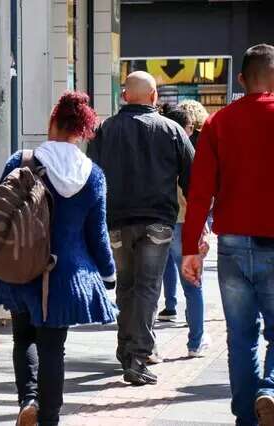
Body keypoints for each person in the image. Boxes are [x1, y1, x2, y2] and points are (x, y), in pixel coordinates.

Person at [0, 92, 117, 426]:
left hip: (21, 269)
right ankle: (49, 418)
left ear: (52, 122)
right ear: (79, 132)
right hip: (65, 274)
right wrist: (108, 274)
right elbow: (98, 233)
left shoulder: (22, 161)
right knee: (54, 348)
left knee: (23, 339)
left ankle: (28, 400)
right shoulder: (93, 175)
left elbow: (0, 213)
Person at [182, 43, 274, 426]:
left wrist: (191, 249)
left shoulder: (219, 123)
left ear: (241, 79)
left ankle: (246, 417)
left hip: (233, 244)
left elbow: (200, 190)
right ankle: (269, 390)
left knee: (240, 338)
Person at [87, 72, 195, 385]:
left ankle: (126, 350)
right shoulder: (172, 129)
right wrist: (199, 223)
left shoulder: (105, 131)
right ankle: (138, 354)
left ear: (125, 96)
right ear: (152, 97)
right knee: (148, 287)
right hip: (158, 222)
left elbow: (93, 178)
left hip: (118, 222)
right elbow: (193, 179)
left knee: (127, 286)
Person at [155, 104, 210, 358]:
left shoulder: (155, 151)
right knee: (193, 283)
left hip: (158, 221)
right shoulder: (190, 151)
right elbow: (199, 193)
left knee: (149, 286)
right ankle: (195, 342)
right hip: (185, 222)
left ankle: (148, 346)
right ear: (185, 127)